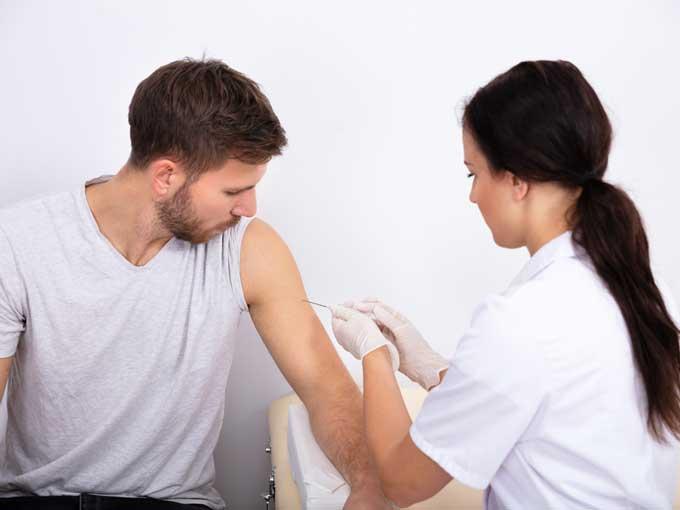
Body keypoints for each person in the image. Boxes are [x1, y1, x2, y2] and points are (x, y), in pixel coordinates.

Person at [0, 58, 390, 509]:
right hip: (41, 501)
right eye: (233, 191)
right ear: (166, 176)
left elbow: (326, 390)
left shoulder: (249, 249)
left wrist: (369, 487)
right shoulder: (20, 242)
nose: (249, 208)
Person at [330, 60, 680, 509]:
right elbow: (543, 409)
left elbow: (402, 481)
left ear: (516, 181)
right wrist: (430, 368)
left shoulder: (521, 320)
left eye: (473, 173)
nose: (472, 195)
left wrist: (374, 354)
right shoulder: (645, 289)